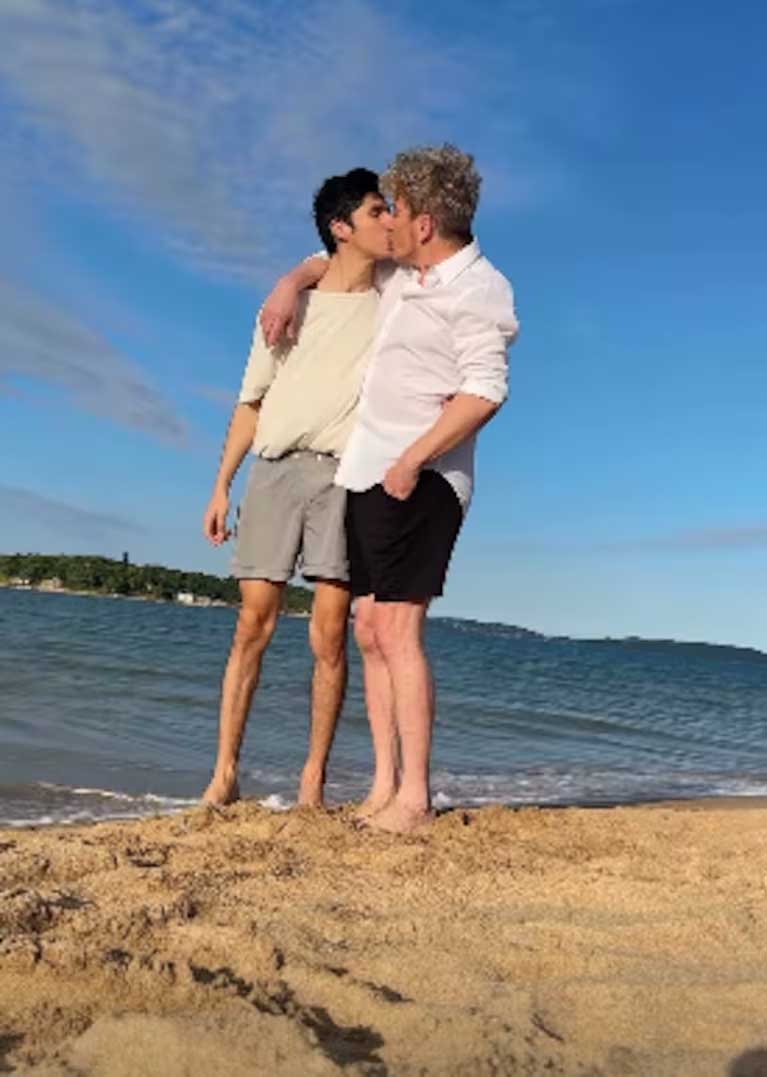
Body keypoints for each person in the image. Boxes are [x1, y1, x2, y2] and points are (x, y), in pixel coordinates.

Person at [262, 145, 519, 832]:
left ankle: (414, 798)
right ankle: (381, 786)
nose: (389, 222)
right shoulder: (404, 272)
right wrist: (288, 282)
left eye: (397, 210)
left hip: (422, 478)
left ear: (425, 224)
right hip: (367, 470)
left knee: (399, 631)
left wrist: (412, 459)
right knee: (369, 628)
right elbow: (331, 259)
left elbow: (485, 389)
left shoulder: (480, 287)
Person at [201, 168, 390, 808]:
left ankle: (313, 782)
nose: (389, 219)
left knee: (330, 634)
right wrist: (221, 486)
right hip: (275, 468)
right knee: (252, 623)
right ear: (342, 227)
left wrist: (295, 273)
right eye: (376, 211)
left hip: (344, 477)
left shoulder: (393, 299)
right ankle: (224, 774)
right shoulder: (288, 307)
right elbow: (251, 402)